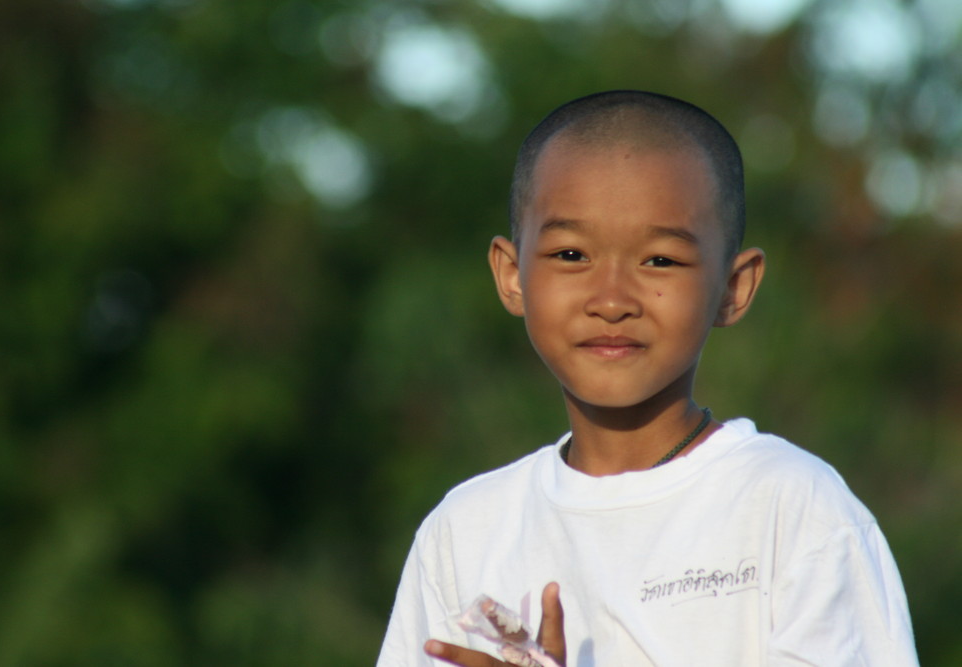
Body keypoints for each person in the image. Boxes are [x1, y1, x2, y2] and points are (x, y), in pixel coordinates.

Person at [376, 91, 918, 666]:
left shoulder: (792, 509)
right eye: (570, 255)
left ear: (733, 288)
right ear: (512, 276)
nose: (611, 300)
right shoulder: (465, 532)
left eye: (660, 260)